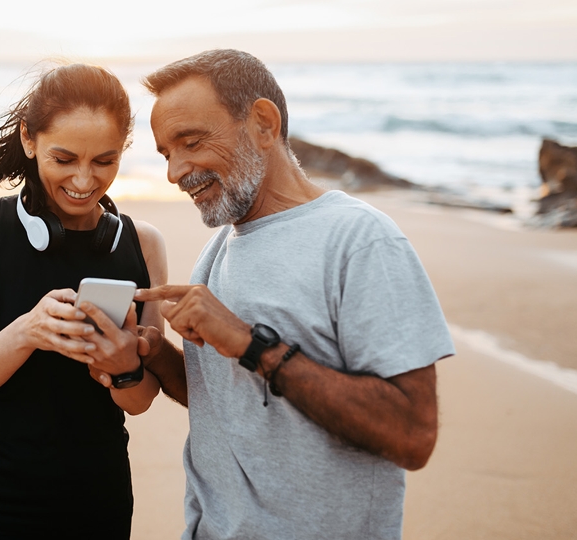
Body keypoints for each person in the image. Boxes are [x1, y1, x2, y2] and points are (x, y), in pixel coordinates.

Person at [132, 49, 455, 539]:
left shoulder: (359, 240)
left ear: (263, 123)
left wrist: (251, 343)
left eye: (192, 142)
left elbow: (412, 435)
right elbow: (228, 401)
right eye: (166, 154)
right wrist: (152, 355)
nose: (176, 171)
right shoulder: (218, 248)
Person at [0, 63, 167, 539]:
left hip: (96, 498)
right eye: (65, 159)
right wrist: (28, 331)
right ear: (29, 139)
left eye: (104, 161)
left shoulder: (144, 244)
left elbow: (140, 401)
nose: (84, 180)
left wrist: (123, 364)